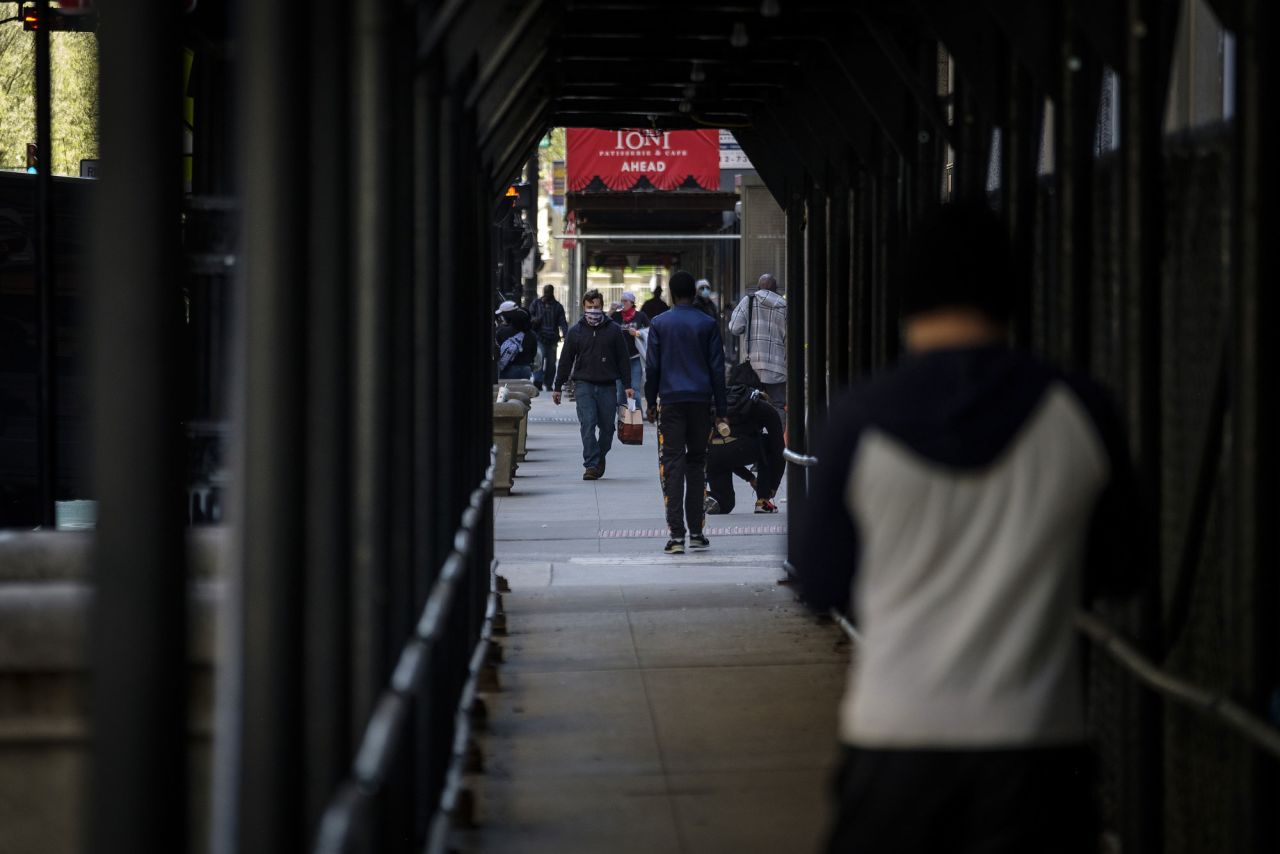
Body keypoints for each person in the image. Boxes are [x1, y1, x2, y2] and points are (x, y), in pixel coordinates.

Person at [794, 201, 1144, 854]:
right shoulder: (1082, 411)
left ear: (904, 296)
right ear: (1013, 291)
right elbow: (1122, 567)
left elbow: (818, 581)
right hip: (1040, 755)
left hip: (893, 745)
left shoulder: (855, 421)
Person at [644, 270, 728, 554]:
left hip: (670, 401)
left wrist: (649, 400)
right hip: (701, 403)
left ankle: (676, 535)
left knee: (672, 465)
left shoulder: (659, 323)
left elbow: (652, 367)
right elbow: (718, 370)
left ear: (670, 292)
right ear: (693, 293)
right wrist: (722, 411)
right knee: (696, 464)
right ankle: (697, 532)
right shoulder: (707, 324)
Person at [552, 289, 634, 480]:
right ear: (584, 307)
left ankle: (599, 457)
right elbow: (565, 360)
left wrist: (628, 385)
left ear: (602, 306)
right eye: (590, 307)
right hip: (584, 385)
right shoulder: (576, 332)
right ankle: (591, 464)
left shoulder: (613, 330)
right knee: (587, 424)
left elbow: (623, 359)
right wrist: (557, 386)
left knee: (608, 428)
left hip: (607, 385)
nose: (593, 311)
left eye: (596, 307)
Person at [704, 363, 783, 514]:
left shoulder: (719, 400)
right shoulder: (761, 405)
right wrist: (772, 486)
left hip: (713, 454)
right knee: (767, 443)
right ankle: (763, 501)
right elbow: (779, 449)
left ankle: (710, 497)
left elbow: (725, 451)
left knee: (725, 504)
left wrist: (750, 477)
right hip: (741, 448)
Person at [728, 273, 787, 409]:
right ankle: (775, 430)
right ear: (776, 289)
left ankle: (757, 430)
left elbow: (735, 328)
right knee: (777, 406)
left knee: (751, 405)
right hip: (777, 368)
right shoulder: (784, 306)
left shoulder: (748, 301)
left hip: (752, 368)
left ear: (758, 287)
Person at [609, 291, 651, 415]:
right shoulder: (616, 316)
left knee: (634, 388)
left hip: (634, 357)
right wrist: (611, 310)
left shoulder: (640, 316)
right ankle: (622, 415)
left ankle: (636, 412)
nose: (623, 303)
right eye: (621, 301)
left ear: (632, 303)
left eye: (626, 301)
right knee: (620, 390)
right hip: (619, 359)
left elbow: (651, 331)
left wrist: (637, 333)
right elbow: (602, 324)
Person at [529, 284, 569, 391]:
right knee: (539, 360)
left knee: (551, 363)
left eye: (549, 292)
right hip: (539, 337)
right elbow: (530, 317)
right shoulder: (536, 304)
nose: (547, 294)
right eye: (545, 292)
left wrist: (566, 335)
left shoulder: (557, 306)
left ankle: (548, 383)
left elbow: (562, 322)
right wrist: (537, 319)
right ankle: (538, 382)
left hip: (552, 338)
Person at [494, 300, 537, 380]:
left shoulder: (502, 331)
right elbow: (533, 353)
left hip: (507, 368)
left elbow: (497, 350)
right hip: (526, 368)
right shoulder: (532, 334)